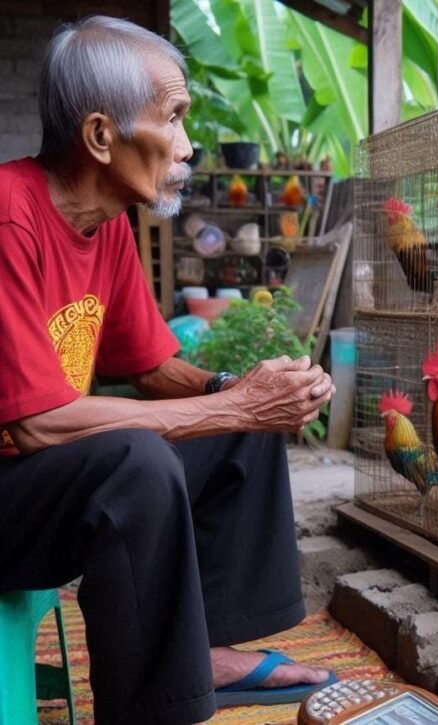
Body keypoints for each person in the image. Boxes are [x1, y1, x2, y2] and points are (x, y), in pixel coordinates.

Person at [0, 15, 337, 725]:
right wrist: (236, 405)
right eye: (174, 118)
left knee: (237, 424)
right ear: (100, 136)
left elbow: (152, 367)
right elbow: (35, 423)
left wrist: (241, 395)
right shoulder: (9, 218)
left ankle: (205, 649)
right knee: (138, 461)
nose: (186, 146)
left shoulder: (108, 222)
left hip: (37, 480)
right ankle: (157, 709)